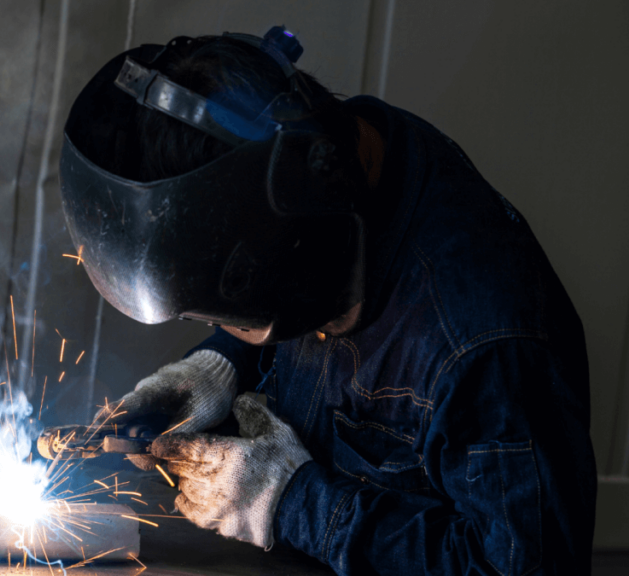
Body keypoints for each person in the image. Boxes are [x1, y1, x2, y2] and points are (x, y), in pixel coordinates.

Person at [57, 26, 597, 575]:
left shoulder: (483, 346)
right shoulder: (344, 152)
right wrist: (221, 364)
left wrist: (293, 503)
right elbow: (272, 282)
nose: (226, 321)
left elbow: (524, 568)